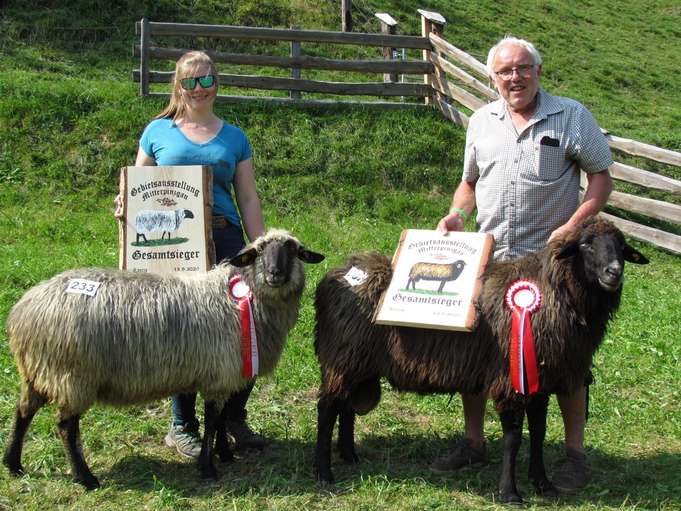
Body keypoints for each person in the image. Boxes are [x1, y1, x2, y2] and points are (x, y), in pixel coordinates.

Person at [432, 36, 613, 494]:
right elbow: (469, 183)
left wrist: (573, 227)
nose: (515, 77)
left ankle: (574, 455)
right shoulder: (480, 122)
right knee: (476, 350)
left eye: (523, 68)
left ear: (538, 70)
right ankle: (474, 442)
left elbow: (600, 179)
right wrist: (457, 214)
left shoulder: (571, 116)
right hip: (492, 262)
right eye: (505, 71)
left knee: (568, 359)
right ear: (493, 77)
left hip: (553, 268)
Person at [115, 51, 266, 458]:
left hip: (227, 239)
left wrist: (260, 247)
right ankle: (182, 425)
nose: (198, 89)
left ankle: (234, 416)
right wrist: (123, 205)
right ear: (178, 86)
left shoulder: (235, 137)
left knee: (247, 325)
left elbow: (247, 197)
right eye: (190, 82)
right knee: (182, 330)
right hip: (177, 245)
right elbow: (137, 185)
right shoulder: (157, 132)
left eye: (206, 80)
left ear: (217, 82)